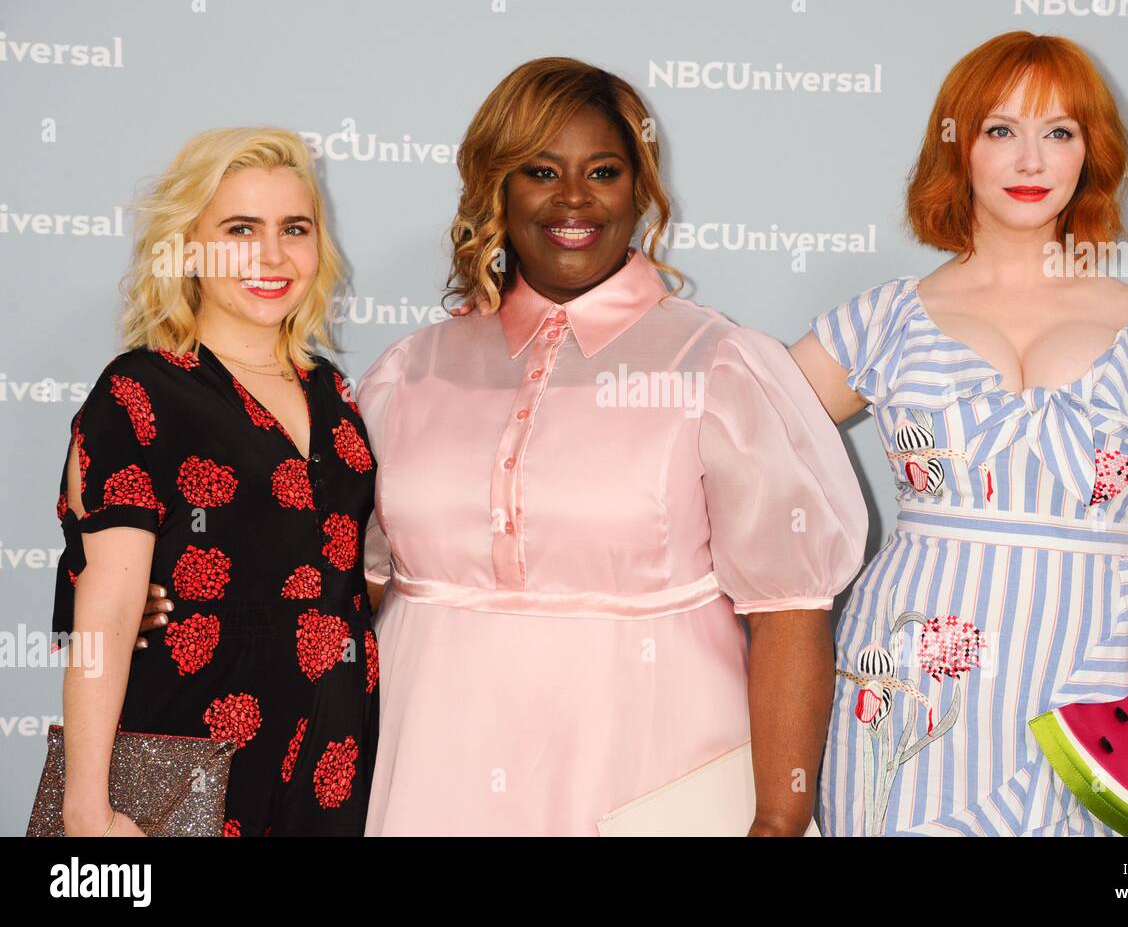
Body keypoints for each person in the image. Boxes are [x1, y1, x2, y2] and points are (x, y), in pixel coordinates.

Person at [356, 57, 869, 835]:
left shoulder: (718, 364)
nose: (573, 198)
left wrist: (779, 816)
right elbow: (351, 587)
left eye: (603, 171)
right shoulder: (409, 370)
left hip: (649, 771)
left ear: (639, 189)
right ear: (497, 186)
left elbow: (789, 610)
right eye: (540, 170)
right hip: (432, 771)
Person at [790, 31, 1128, 836]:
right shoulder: (882, 321)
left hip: (1100, 692)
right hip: (910, 700)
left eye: (1059, 132)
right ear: (959, 146)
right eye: (1001, 130)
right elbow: (734, 446)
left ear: (1090, 152)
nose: (1031, 160)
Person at [55, 127, 379, 837]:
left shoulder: (336, 397)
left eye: (295, 228)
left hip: (330, 766)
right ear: (188, 246)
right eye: (240, 229)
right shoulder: (141, 392)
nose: (271, 256)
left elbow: (355, 572)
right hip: (185, 766)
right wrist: (85, 807)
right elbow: (104, 615)